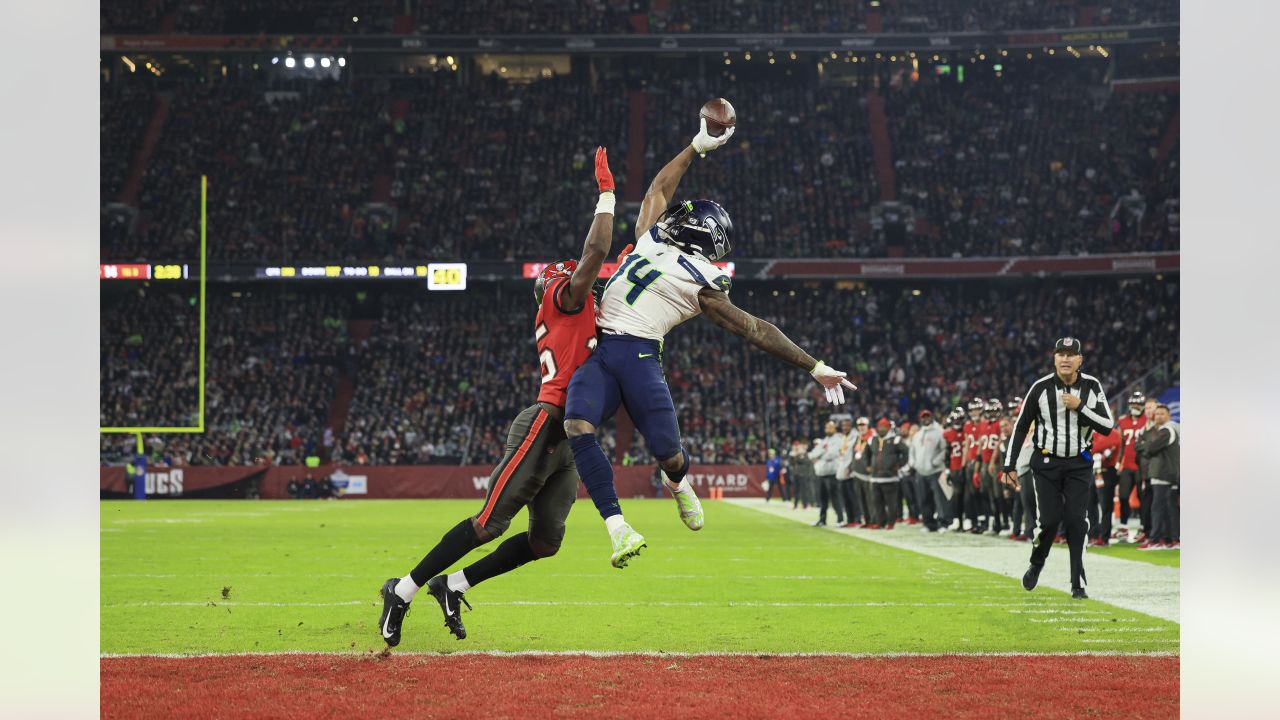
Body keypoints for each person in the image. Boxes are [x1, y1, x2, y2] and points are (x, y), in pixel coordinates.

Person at [564, 117, 857, 564]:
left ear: (699, 231)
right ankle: (618, 528)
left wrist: (813, 366)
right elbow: (658, 189)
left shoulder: (701, 283)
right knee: (577, 426)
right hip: (603, 352)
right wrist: (696, 146)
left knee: (670, 455)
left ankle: (679, 483)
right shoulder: (649, 239)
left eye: (685, 216)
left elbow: (753, 328)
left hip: (641, 357)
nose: (675, 214)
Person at [377, 147, 619, 646]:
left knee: (546, 541)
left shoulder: (586, 314)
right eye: (569, 272)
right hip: (547, 422)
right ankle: (401, 591)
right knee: (489, 523)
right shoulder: (561, 302)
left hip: (577, 436)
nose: (580, 277)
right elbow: (595, 256)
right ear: (553, 287)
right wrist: (608, 196)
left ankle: (455, 584)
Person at [1002, 337, 1115, 600]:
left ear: (1080, 360)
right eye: (1060, 354)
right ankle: (1037, 562)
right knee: (1050, 521)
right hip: (1046, 463)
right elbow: (1020, 426)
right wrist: (1008, 465)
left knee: (1077, 522)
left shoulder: (1091, 385)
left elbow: (1107, 425)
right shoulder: (1040, 388)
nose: (1065, 359)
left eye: (1070, 354)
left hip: (1078, 464)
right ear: (1053, 358)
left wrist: (1081, 407)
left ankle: (1078, 583)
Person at [1136, 404, 1180, 549]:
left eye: (1162, 413)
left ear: (1169, 416)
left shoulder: (1167, 430)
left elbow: (1150, 448)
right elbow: (1146, 447)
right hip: (1169, 472)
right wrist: (1147, 447)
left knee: (1158, 507)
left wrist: (1146, 446)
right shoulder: (1169, 430)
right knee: (1169, 508)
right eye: (1157, 414)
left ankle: (1155, 539)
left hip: (1163, 472)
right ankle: (1170, 539)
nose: (1159, 416)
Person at [909, 408, 948, 532]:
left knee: (939, 499)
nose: (926, 419)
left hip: (936, 471)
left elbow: (945, 449)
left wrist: (936, 462)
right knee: (924, 499)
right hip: (920, 472)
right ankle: (928, 523)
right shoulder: (917, 434)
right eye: (923, 417)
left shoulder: (939, 432)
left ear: (931, 418)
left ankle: (943, 523)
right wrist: (913, 463)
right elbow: (912, 451)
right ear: (920, 419)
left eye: (927, 417)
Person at [1115, 391, 1147, 541]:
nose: (1136, 406)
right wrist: (1118, 462)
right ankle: (1123, 527)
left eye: (1138, 403)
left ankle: (1143, 527)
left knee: (1143, 498)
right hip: (1126, 465)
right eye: (1133, 403)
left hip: (1141, 466)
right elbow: (1120, 443)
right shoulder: (1122, 421)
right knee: (1123, 496)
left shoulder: (1148, 420)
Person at [866, 418, 909, 528]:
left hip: (890, 477)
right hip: (875, 477)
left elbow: (906, 452)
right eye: (880, 426)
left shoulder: (895, 440)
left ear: (888, 428)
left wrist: (900, 464)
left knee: (891, 502)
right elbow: (867, 453)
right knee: (877, 502)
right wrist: (868, 465)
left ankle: (891, 522)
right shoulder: (872, 440)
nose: (881, 429)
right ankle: (881, 522)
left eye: (884, 427)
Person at [1090, 412, 1123, 545]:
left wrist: (1094, 449)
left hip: (1106, 472)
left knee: (1105, 506)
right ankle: (1093, 535)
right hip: (1092, 472)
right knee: (1089, 505)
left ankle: (1104, 537)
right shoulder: (1093, 433)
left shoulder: (1114, 433)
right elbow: (1085, 450)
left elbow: (1111, 444)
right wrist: (1096, 451)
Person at [808, 421, 844, 526]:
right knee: (822, 498)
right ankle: (822, 520)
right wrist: (821, 454)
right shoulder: (824, 441)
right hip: (822, 473)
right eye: (826, 428)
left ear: (835, 429)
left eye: (830, 428)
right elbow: (812, 454)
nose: (828, 430)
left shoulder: (838, 439)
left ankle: (840, 519)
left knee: (835, 497)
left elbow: (832, 454)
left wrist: (819, 456)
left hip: (832, 472)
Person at [835, 416, 862, 527]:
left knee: (853, 497)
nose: (845, 427)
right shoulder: (843, 438)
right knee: (845, 497)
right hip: (842, 471)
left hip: (851, 472)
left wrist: (851, 467)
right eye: (843, 426)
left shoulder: (856, 437)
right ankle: (850, 519)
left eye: (847, 425)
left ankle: (857, 519)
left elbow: (856, 454)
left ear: (851, 426)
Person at [942, 409, 966, 530]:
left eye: (959, 420)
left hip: (966, 466)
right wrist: (947, 469)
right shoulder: (947, 434)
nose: (957, 422)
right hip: (954, 467)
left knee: (968, 495)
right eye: (955, 420)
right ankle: (957, 519)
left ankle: (968, 519)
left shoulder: (967, 430)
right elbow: (946, 453)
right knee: (956, 495)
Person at [788, 440, 815, 510]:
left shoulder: (803, 453)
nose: (796, 447)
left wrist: (797, 455)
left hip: (803, 473)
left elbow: (806, 462)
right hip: (796, 474)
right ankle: (795, 505)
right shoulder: (793, 454)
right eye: (795, 446)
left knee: (804, 490)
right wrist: (794, 456)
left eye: (797, 445)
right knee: (796, 490)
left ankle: (805, 505)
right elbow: (791, 463)